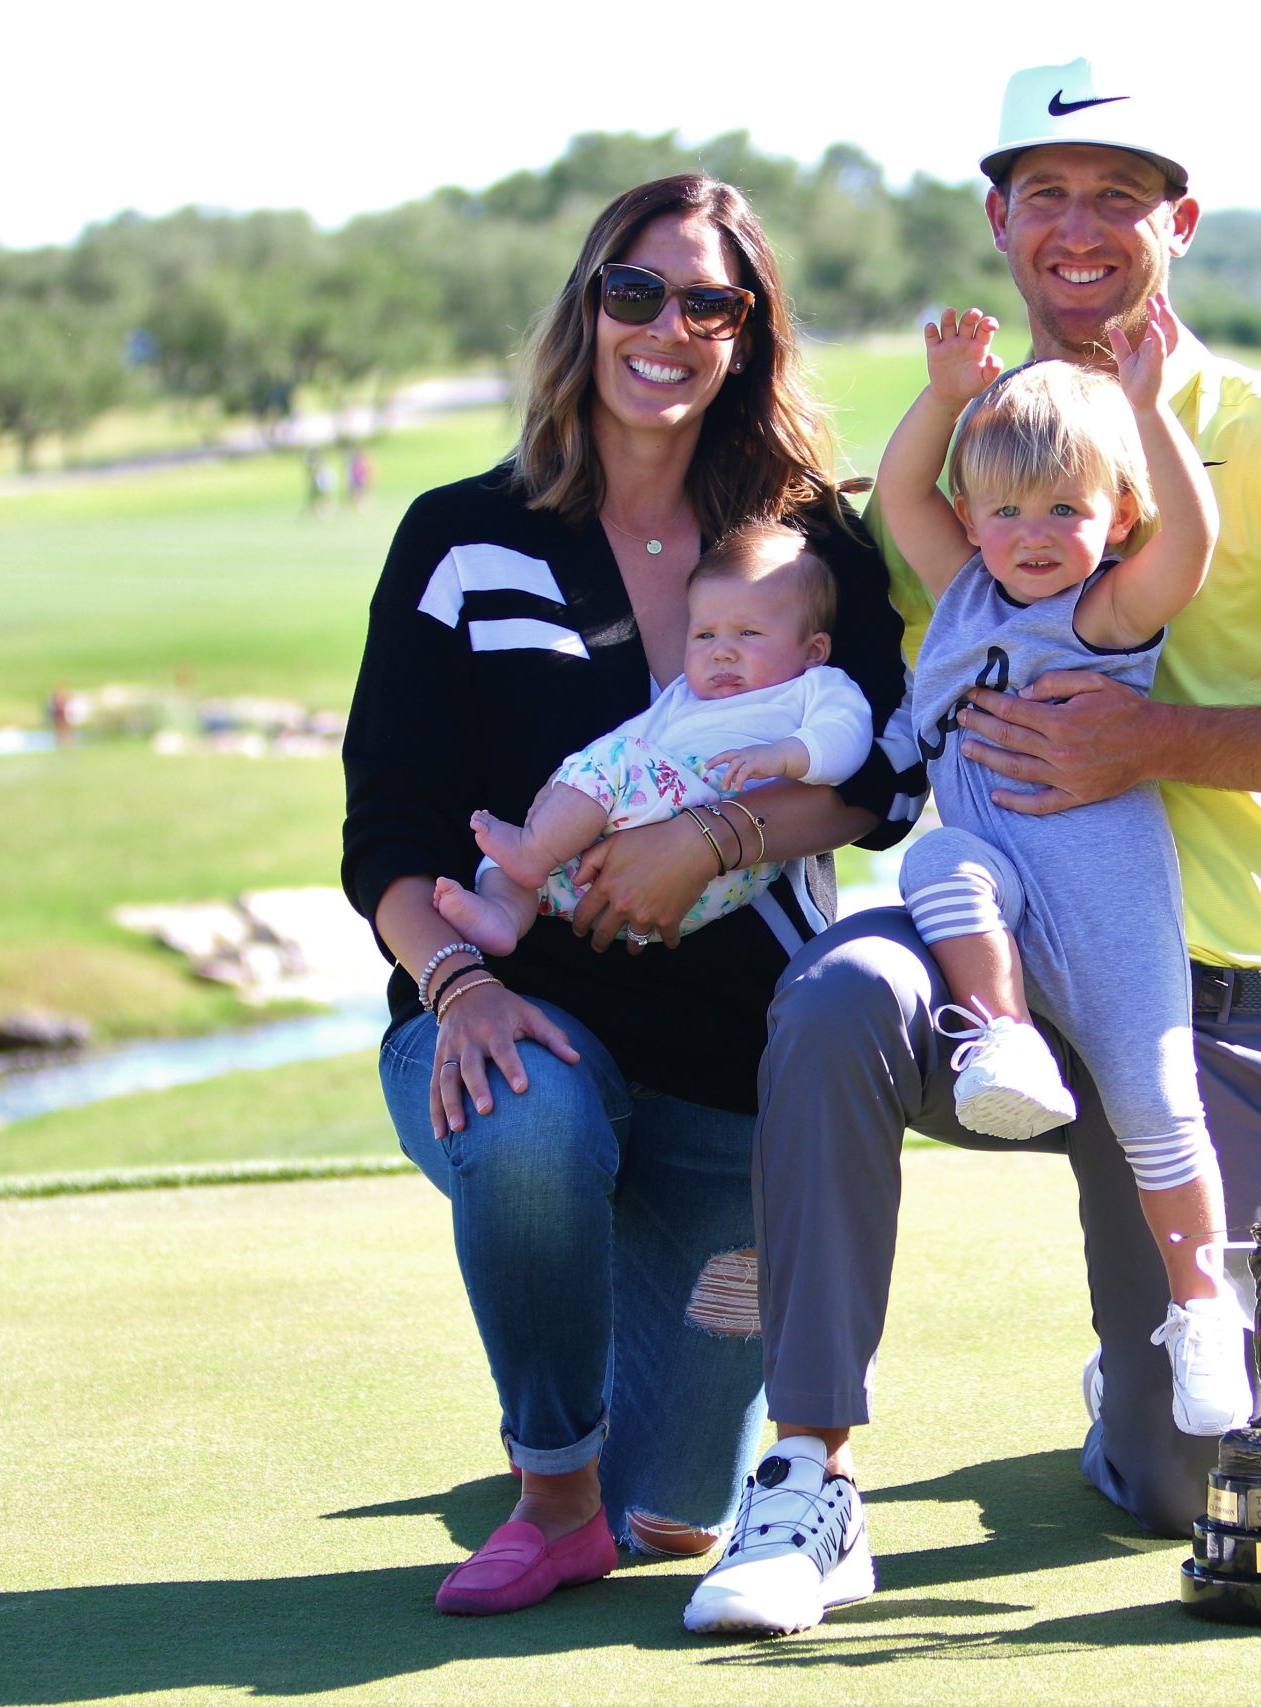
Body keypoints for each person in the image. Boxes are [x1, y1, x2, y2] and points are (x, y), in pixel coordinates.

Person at [683, 58, 1261, 1637]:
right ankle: (809, 1472)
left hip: (1218, 987)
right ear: (998, 218)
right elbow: (835, 707)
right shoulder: (967, 460)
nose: (1081, 225)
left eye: (1123, 192)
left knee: (1187, 1475)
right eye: (1046, 190)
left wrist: (1161, 737)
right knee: (842, 995)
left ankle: (1141, 1374)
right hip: (985, 954)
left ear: (1179, 221)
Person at [342, 173, 920, 1619]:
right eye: (636, 291)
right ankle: (547, 1492)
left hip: (737, 1071)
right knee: (532, 1122)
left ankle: (614, 1418)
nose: (669, 326)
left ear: (751, 335)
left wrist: (714, 837)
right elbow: (389, 829)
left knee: (682, 1510)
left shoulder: (812, 545)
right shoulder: (458, 536)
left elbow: (891, 778)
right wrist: (459, 982)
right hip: (522, 1014)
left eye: (711, 302)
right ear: (587, 305)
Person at [874, 302, 1249, 1436]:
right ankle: (1002, 1033)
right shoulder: (967, 590)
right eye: (1003, 510)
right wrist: (946, 395)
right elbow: (899, 495)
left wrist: (1144, 409)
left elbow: (1191, 542)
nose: (1030, 533)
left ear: (1114, 515)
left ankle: (1199, 1310)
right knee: (937, 861)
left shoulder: (1105, 612)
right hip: (999, 884)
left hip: (1103, 897)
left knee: (1154, 1104)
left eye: (1063, 509)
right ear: (973, 521)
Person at [434, 521, 874, 957]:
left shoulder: (813, 687)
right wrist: (565, 782)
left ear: (813, 650)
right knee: (519, 856)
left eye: (748, 633)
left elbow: (847, 742)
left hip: (725, 845)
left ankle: (531, 851)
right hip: (626, 868)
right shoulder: (684, 694)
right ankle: (504, 915)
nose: (722, 650)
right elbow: (630, 736)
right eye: (705, 634)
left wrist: (784, 756)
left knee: (605, 771)